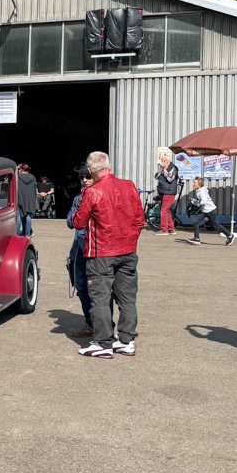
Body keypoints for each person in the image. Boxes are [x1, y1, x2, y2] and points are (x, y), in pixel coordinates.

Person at [70, 150, 144, 358]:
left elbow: (78, 222)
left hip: (101, 252)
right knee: (127, 298)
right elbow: (140, 219)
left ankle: (103, 343)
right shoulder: (129, 186)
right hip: (128, 250)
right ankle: (127, 340)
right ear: (109, 166)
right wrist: (131, 237)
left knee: (100, 298)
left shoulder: (92, 192)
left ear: (91, 171)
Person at [66, 168, 94, 337]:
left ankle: (107, 326)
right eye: (82, 177)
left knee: (102, 291)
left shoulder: (101, 197)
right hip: (78, 250)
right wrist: (80, 208)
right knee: (82, 289)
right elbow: (70, 222)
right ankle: (90, 324)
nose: (84, 180)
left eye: (88, 177)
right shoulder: (78, 198)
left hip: (97, 250)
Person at [184, 176, 233, 245]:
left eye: (194, 182)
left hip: (210, 210)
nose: (193, 184)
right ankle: (197, 239)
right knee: (195, 221)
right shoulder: (199, 191)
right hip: (204, 210)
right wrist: (193, 201)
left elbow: (203, 202)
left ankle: (229, 235)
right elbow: (201, 201)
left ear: (199, 184)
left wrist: (196, 203)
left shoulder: (202, 192)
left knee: (215, 224)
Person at [154, 149, 180, 235]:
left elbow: (170, 178)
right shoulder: (162, 168)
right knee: (166, 210)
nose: (162, 162)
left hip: (169, 191)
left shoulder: (173, 168)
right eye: (162, 161)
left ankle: (164, 229)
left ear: (168, 160)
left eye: (164, 161)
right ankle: (171, 229)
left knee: (164, 210)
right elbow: (156, 177)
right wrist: (161, 169)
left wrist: (165, 170)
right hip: (163, 191)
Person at [15, 163, 37, 237]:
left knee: (18, 216)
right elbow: (34, 190)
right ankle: (27, 234)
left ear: (21, 169)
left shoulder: (17, 178)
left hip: (20, 198)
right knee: (28, 216)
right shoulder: (33, 177)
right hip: (30, 199)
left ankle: (17, 233)